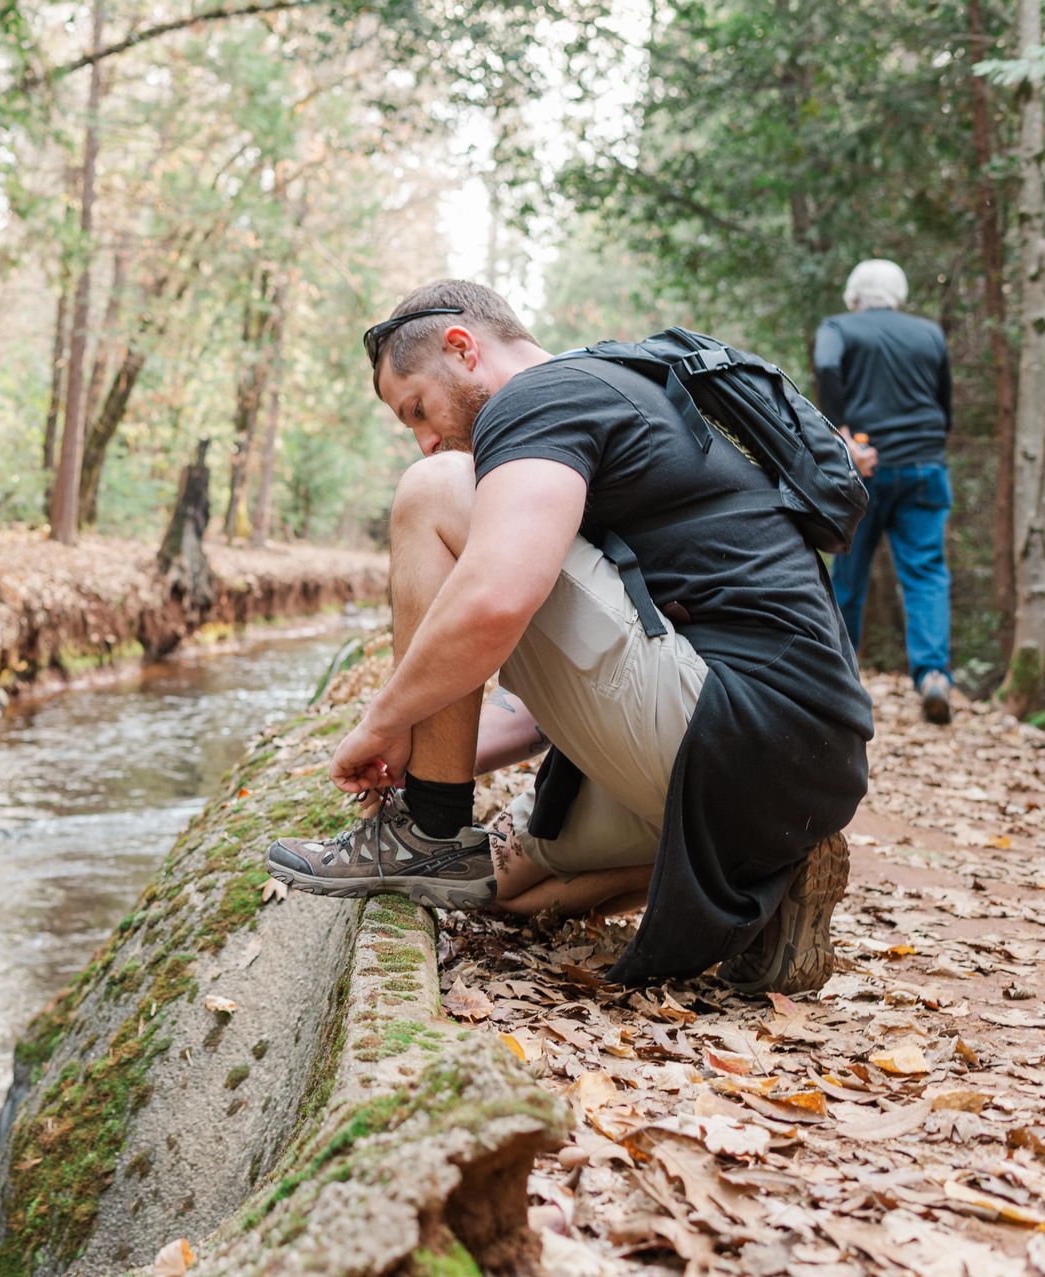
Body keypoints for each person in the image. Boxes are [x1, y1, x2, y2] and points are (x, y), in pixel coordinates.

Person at [264, 280, 873, 993]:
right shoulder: (613, 396)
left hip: (731, 722)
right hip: (792, 762)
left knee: (435, 488)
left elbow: (497, 601)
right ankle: (770, 879)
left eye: (418, 409)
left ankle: (426, 833)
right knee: (498, 884)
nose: (425, 437)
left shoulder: (538, 398)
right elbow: (555, 695)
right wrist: (415, 756)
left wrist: (383, 720)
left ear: (463, 349)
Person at [814, 259, 956, 724]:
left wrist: (844, 437)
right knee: (926, 573)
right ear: (898, 293)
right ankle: (933, 675)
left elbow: (826, 368)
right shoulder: (929, 333)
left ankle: (838, 682)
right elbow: (944, 402)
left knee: (849, 575)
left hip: (865, 469)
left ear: (855, 296)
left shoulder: (839, 327)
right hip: (925, 466)